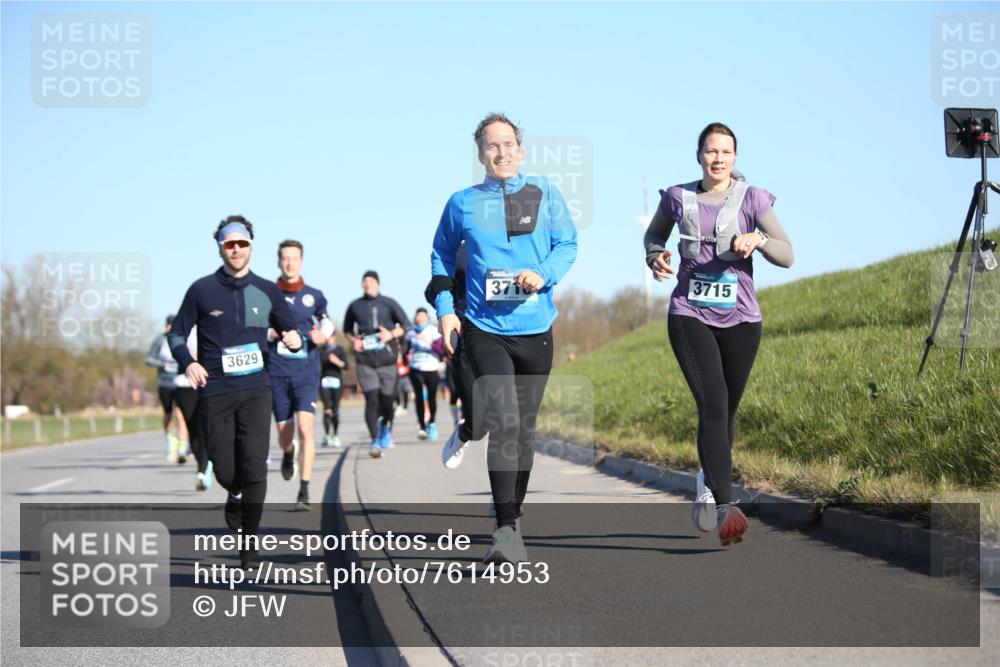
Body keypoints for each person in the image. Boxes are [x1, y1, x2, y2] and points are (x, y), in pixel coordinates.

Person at [429, 113, 577, 564]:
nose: (502, 152)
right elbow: (439, 256)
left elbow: (567, 245)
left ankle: (511, 507)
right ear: (480, 154)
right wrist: (445, 312)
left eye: (509, 144)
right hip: (483, 327)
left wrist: (544, 274)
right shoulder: (462, 203)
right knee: (507, 422)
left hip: (535, 328)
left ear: (522, 149)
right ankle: (506, 529)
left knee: (524, 432)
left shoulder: (545, 193)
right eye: (492, 146)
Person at [643, 122, 794, 546]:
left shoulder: (753, 199)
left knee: (725, 414)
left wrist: (759, 239)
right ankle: (726, 505)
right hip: (689, 313)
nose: (718, 158)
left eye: (726, 152)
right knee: (712, 402)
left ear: (735, 157)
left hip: (743, 319)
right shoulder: (678, 197)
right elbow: (654, 233)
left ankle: (708, 479)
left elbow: (788, 254)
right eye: (711, 151)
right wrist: (656, 255)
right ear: (699, 155)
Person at [168, 215, 304, 569]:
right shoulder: (201, 290)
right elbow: (177, 335)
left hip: (257, 388)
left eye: (242, 244)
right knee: (226, 469)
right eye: (230, 244)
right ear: (221, 247)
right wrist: (188, 362)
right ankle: (234, 491)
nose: (237, 250)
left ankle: (250, 544)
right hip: (215, 390)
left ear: (251, 248)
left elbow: (289, 328)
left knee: (255, 464)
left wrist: (293, 337)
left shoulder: (267, 290)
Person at [268, 239, 334, 511]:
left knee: (306, 428)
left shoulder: (313, 295)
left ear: (301, 262)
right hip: (277, 370)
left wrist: (324, 334)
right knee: (285, 433)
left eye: (294, 258)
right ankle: (288, 452)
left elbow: (327, 321)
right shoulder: (265, 293)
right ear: (279, 261)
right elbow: (251, 324)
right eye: (285, 258)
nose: (290, 262)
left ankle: (304, 490)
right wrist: (267, 332)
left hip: (307, 370)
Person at [342, 271, 411, 458]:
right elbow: (347, 329)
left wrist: (391, 334)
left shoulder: (388, 303)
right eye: (364, 281)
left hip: (388, 360)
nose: (367, 284)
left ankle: (386, 428)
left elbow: (406, 325)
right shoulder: (355, 305)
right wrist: (353, 340)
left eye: (371, 281)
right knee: (372, 400)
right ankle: (375, 441)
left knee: (387, 401)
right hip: (365, 361)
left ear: (378, 284)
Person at [146, 315, 191, 464]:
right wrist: (161, 364)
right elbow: (149, 359)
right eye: (169, 325)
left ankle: (182, 447)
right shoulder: (160, 340)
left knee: (181, 415)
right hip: (164, 383)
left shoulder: (184, 338)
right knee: (168, 414)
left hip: (180, 383)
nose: (170, 327)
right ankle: (170, 441)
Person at [406, 307, 443, 440]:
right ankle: (422, 426)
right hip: (415, 367)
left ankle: (431, 422)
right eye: (417, 316)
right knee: (419, 397)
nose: (419, 318)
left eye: (422, 316)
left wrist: (429, 343)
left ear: (427, 318)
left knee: (432, 397)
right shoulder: (410, 332)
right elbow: (406, 349)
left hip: (431, 367)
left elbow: (441, 350)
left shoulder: (434, 331)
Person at [320, 338, 349, 448]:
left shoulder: (339, 350)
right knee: (327, 408)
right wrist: (327, 358)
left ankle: (335, 435)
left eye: (330, 338)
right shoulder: (322, 349)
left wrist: (337, 361)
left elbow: (346, 366)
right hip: (324, 381)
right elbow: (319, 361)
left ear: (334, 337)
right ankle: (327, 435)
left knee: (335, 409)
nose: (328, 340)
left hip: (337, 381)